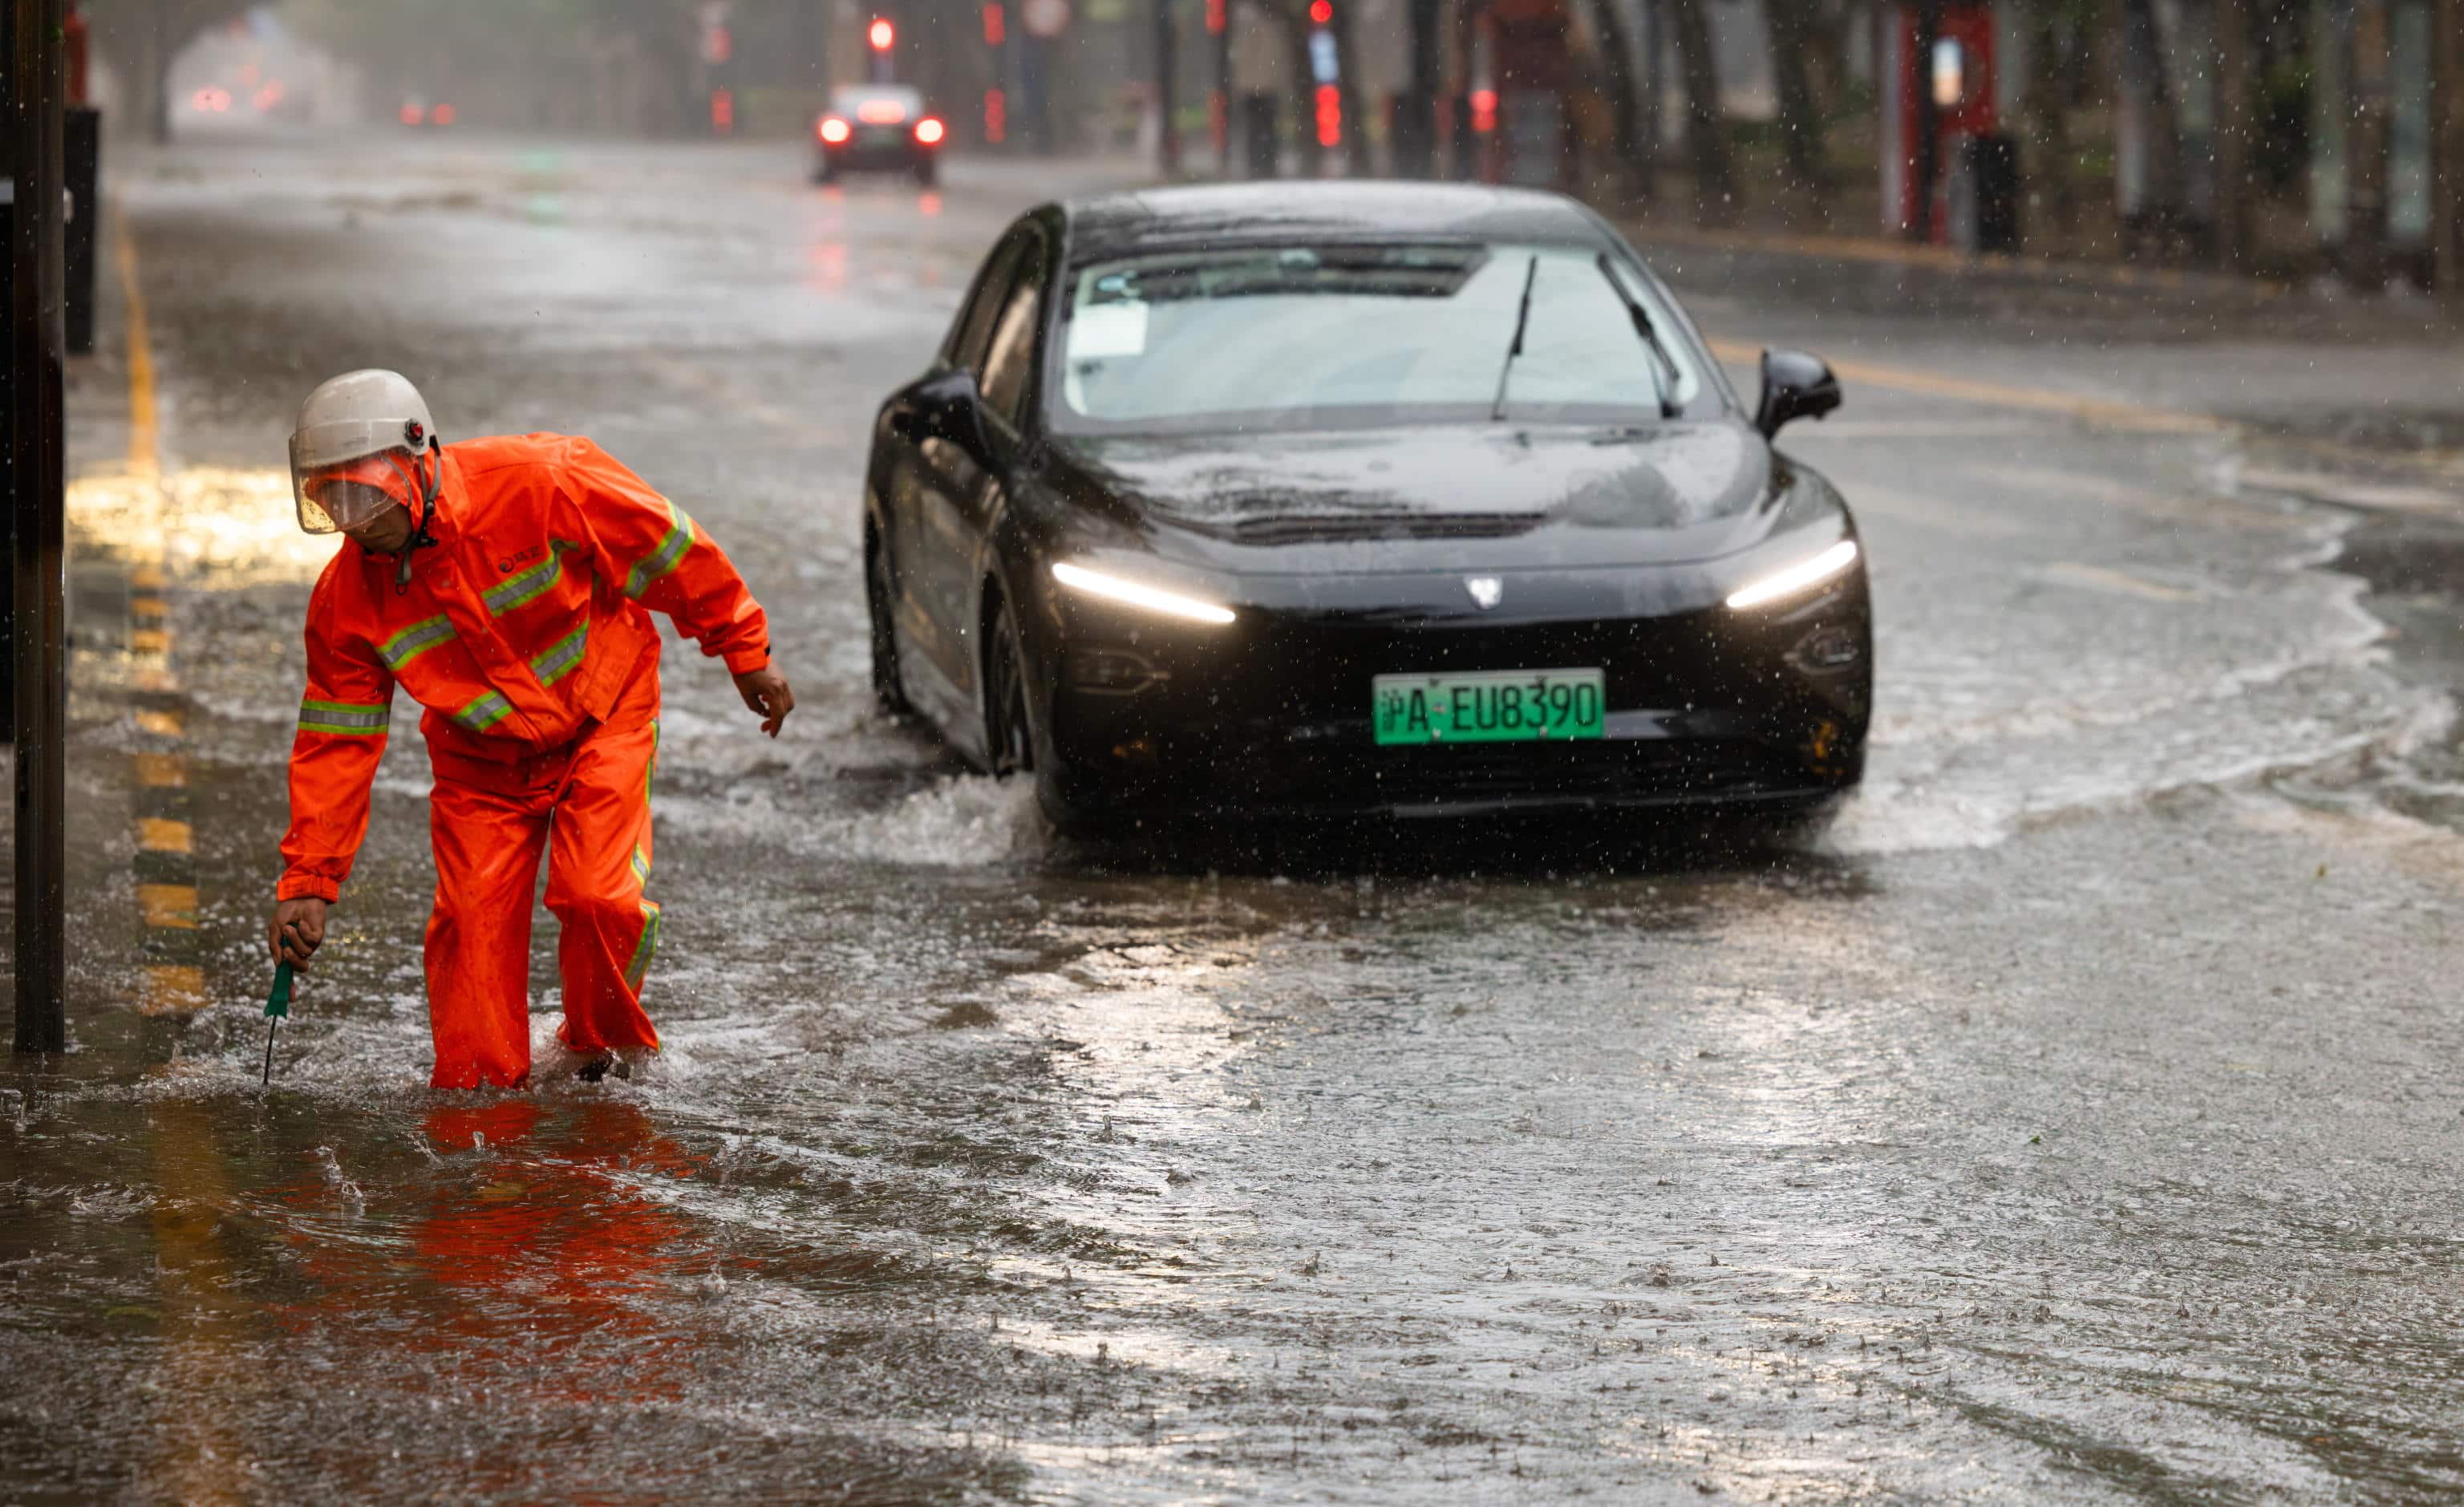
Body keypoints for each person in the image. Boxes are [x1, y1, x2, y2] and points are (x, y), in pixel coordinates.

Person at [265, 370, 794, 1088]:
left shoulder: (544, 479)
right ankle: (481, 1108)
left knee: (599, 899)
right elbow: (337, 742)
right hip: (480, 764)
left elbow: (666, 547)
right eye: (333, 502)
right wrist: (310, 879)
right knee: (471, 933)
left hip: (603, 714)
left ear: (419, 458)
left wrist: (743, 649)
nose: (354, 521)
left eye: (365, 496)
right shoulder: (345, 600)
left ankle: (601, 1055)